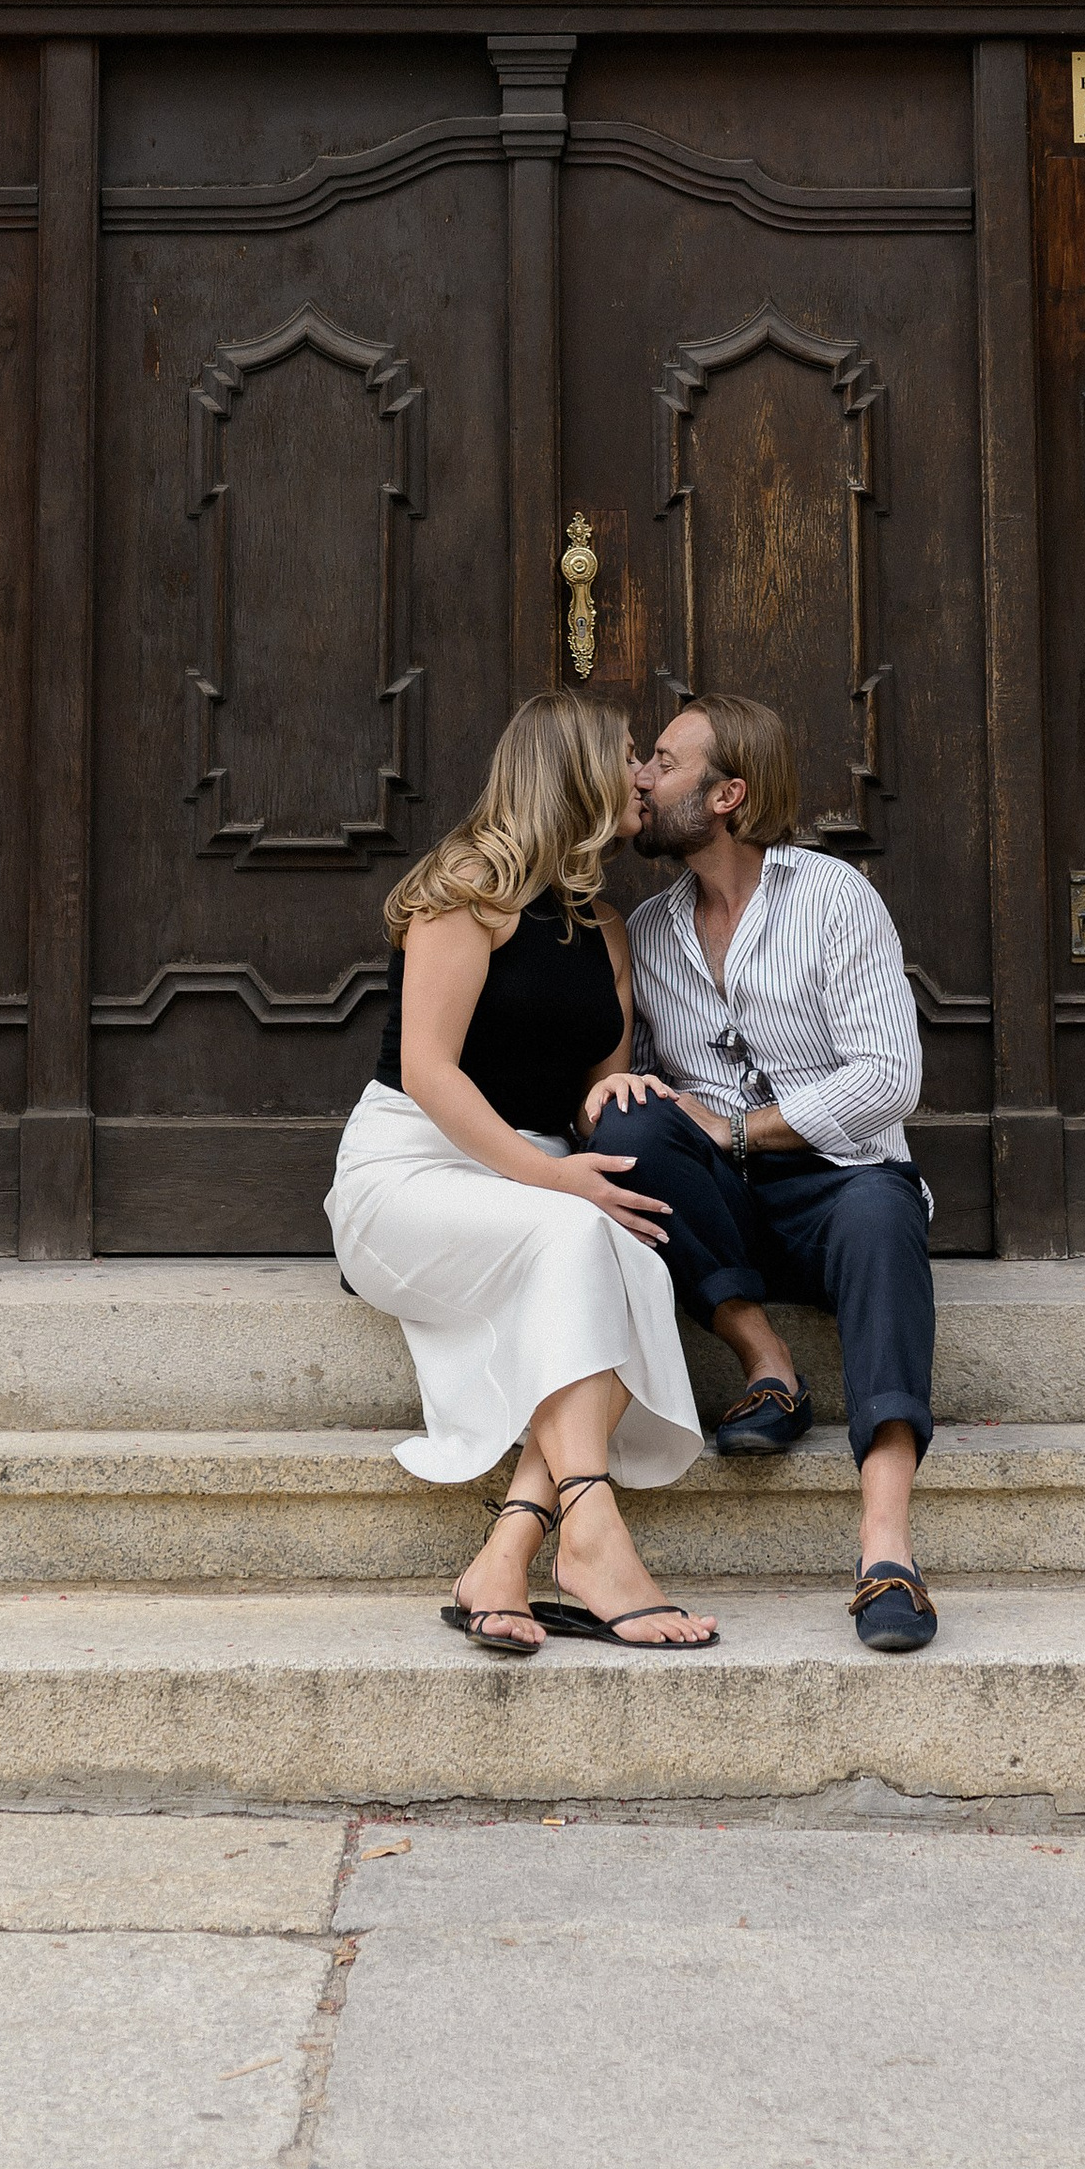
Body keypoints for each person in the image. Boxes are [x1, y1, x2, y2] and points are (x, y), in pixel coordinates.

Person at [326, 689, 717, 1660]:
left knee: (631, 1255)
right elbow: (428, 1069)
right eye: (628, 753)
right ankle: (593, 1528)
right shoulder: (464, 892)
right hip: (409, 1171)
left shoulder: (608, 929)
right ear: (575, 770)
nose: (642, 773)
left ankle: (510, 1549)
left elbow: (589, 1089)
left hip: (534, 1176)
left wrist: (620, 1095)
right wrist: (559, 1183)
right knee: (585, 1230)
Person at [593, 696, 942, 1655]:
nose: (640, 778)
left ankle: (886, 1548)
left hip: (836, 1187)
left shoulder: (833, 898)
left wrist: (741, 1127)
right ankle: (766, 1361)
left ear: (727, 796)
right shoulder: (652, 927)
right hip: (722, 1218)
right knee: (630, 1117)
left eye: (662, 762)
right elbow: (637, 1089)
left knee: (882, 1214)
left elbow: (887, 1079)